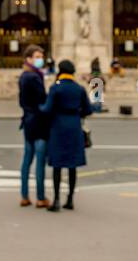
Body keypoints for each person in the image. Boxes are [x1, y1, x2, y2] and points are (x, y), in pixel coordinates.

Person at [38, 60, 91, 212]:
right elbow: (88, 110)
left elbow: (47, 109)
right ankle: (70, 199)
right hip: (74, 127)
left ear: (60, 71)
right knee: (72, 165)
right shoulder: (79, 88)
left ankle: (56, 200)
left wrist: (39, 107)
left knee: (58, 165)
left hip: (58, 128)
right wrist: (76, 113)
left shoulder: (56, 88)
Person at [18, 45, 50, 208]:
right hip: (38, 122)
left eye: (41, 56)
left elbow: (22, 101)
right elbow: (42, 100)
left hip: (28, 121)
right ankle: (40, 197)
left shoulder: (24, 76)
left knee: (27, 159)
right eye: (37, 56)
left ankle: (24, 195)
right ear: (29, 59)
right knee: (39, 161)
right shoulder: (34, 77)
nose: (40, 59)